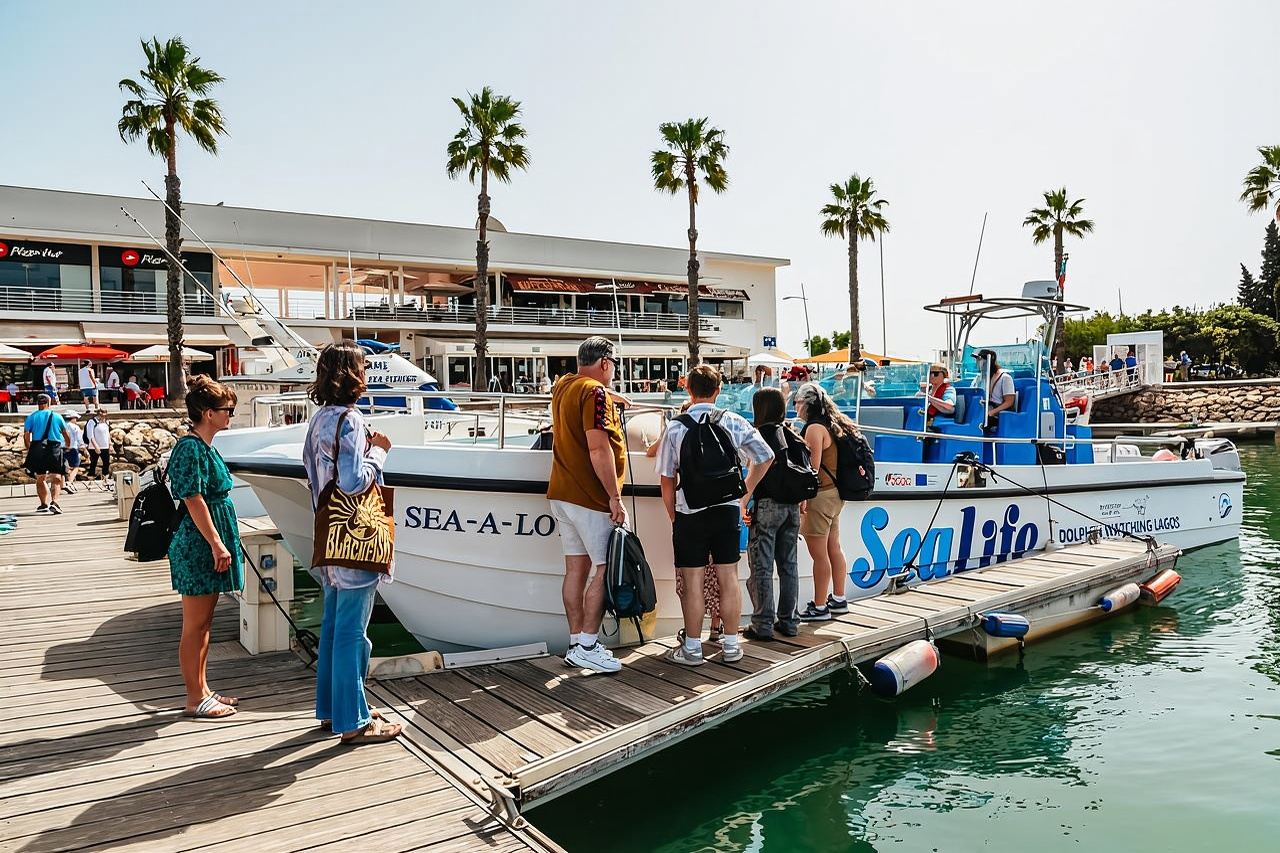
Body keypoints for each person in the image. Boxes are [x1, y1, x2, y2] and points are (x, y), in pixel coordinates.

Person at [303, 341, 402, 743]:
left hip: (328, 537)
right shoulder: (351, 421)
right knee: (352, 632)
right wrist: (379, 453)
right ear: (352, 376)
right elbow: (353, 481)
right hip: (355, 539)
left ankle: (333, 708)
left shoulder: (319, 419)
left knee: (333, 625)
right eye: (363, 367)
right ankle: (353, 721)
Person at [657, 365, 774, 665]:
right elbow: (765, 456)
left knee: (693, 581)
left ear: (688, 390)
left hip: (689, 512)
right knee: (728, 577)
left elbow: (667, 479)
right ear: (719, 390)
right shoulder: (732, 421)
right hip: (726, 510)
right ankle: (732, 646)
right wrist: (743, 496)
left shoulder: (675, 426)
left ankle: (693, 649)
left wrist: (674, 517)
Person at [547, 336, 627, 673]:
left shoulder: (564, 385)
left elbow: (585, 392)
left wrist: (610, 395)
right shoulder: (594, 393)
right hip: (590, 498)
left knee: (575, 570)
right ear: (606, 364)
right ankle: (589, 645)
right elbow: (598, 448)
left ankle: (576, 641)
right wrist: (615, 496)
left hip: (562, 494)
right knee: (604, 568)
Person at [166, 374, 243, 720]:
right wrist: (216, 543)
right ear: (209, 413)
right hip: (198, 544)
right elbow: (193, 498)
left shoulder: (204, 446)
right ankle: (194, 698)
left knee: (206, 622)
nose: (231, 415)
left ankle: (204, 689)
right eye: (228, 409)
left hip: (207, 542)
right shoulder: (190, 448)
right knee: (195, 624)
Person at [792, 383, 856, 621]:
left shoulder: (814, 429)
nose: (795, 407)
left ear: (806, 404)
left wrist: (802, 498)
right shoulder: (833, 424)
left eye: (797, 402)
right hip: (835, 495)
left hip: (820, 497)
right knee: (833, 548)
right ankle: (838, 599)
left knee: (819, 554)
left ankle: (820, 607)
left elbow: (812, 468)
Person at [744, 387, 803, 640]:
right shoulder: (792, 434)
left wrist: (744, 501)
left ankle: (762, 624)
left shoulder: (759, 435)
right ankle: (789, 622)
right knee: (789, 566)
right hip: (792, 507)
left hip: (767, 506)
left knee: (762, 566)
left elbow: (753, 471)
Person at [23, 394, 70, 514]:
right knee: (56, 477)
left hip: (38, 447)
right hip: (54, 446)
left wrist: (30, 448)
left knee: (40, 477)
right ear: (49, 403)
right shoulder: (57, 416)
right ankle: (54, 502)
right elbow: (65, 434)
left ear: (37, 404)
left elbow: (26, 435)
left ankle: (43, 504)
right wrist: (67, 446)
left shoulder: (31, 417)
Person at [972, 349, 1015, 435]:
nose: (977, 362)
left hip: (994, 414)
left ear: (987, 361)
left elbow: (1009, 402)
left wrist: (992, 412)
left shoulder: (1005, 378)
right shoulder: (979, 378)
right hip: (980, 410)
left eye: (979, 359)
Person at [923, 363, 956, 428]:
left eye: (936, 374)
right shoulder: (927, 389)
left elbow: (949, 405)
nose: (932, 376)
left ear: (944, 375)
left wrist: (929, 399)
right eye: (930, 373)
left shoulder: (949, 389)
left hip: (937, 422)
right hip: (922, 419)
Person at [85, 408, 112, 483]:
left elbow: (107, 434)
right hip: (94, 447)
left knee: (106, 463)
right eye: (102, 414)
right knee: (93, 463)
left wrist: (110, 444)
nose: (103, 416)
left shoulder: (106, 422)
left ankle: (105, 479)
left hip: (105, 446)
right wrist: (96, 446)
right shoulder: (92, 422)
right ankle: (90, 479)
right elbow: (90, 435)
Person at [62, 410, 84, 492]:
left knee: (62, 466)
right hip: (72, 448)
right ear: (73, 418)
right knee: (76, 466)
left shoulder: (61, 425)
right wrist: (83, 447)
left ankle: (62, 483)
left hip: (61, 447)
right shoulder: (75, 427)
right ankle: (69, 482)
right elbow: (79, 439)